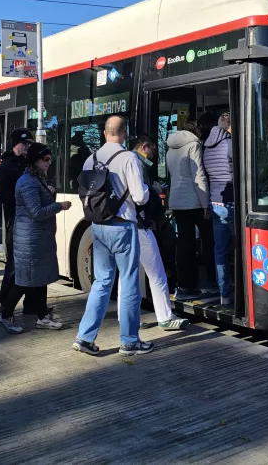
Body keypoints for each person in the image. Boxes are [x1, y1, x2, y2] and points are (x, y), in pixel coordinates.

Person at [72, 115, 154, 356]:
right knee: (128, 282)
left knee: (102, 281)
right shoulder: (129, 158)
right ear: (125, 134)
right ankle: (129, 341)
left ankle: (85, 337)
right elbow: (139, 197)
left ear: (105, 133)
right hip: (122, 227)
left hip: (97, 227)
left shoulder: (91, 158)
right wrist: (149, 190)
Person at [0, 142, 71, 333]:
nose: (48, 163)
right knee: (24, 281)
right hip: (29, 239)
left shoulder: (38, 179)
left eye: (50, 159)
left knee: (40, 279)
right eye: (45, 159)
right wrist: (59, 206)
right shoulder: (28, 182)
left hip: (38, 238)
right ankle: (5, 314)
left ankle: (42, 316)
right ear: (35, 161)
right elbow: (36, 212)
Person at [119, 135, 189, 330]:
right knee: (156, 272)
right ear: (143, 147)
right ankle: (165, 317)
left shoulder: (119, 159)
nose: (152, 155)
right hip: (139, 224)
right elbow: (140, 196)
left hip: (122, 223)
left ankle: (126, 317)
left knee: (128, 274)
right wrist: (153, 190)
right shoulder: (136, 162)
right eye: (151, 150)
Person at [166, 119, 214, 301]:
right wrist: (205, 205)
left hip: (177, 201)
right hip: (194, 201)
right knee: (208, 242)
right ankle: (209, 282)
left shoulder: (171, 147)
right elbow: (199, 175)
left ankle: (185, 285)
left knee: (184, 245)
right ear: (196, 130)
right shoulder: (194, 144)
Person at [0, 127, 41, 315]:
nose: (27, 147)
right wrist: (20, 202)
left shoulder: (29, 164)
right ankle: (5, 303)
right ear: (16, 144)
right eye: (24, 143)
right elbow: (0, 193)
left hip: (30, 222)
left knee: (32, 264)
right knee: (14, 265)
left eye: (29, 143)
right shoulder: (6, 166)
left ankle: (32, 305)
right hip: (15, 221)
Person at [202, 112, 234, 308]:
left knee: (220, 251)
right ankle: (245, 288)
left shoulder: (206, 147)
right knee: (242, 247)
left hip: (215, 203)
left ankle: (225, 295)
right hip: (231, 202)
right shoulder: (230, 145)